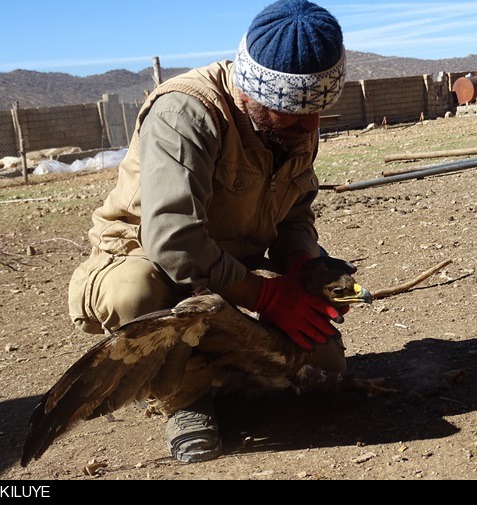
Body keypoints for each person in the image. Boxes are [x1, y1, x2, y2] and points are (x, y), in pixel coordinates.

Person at [68, 0, 350, 463]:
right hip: (152, 266)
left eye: (320, 112)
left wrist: (302, 269)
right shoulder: (186, 112)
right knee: (132, 292)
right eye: (292, 114)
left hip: (230, 271)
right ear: (250, 92)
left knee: (326, 367)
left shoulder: (297, 122)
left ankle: (225, 372)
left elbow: (294, 212)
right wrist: (268, 299)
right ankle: (186, 400)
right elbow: (173, 240)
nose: (310, 127)